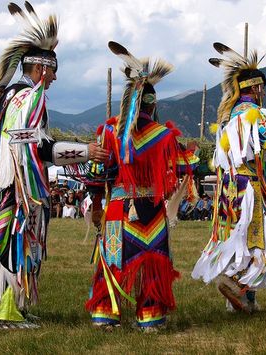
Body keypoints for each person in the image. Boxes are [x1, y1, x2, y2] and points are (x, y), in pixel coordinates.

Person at [0, 2, 108, 328]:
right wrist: (87, 151)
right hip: (17, 189)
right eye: (53, 71)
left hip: (6, 185)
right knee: (13, 242)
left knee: (9, 242)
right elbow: (39, 147)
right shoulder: (28, 98)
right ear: (41, 68)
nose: (55, 78)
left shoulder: (9, 97)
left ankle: (5, 306)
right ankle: (3, 311)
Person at [84, 41, 198, 331]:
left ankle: (105, 314)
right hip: (151, 209)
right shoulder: (163, 136)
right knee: (151, 262)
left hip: (118, 209)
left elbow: (98, 173)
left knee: (112, 260)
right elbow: (184, 167)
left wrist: (97, 203)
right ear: (153, 104)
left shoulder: (109, 132)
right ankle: (149, 316)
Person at [192, 42, 266, 313]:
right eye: (260, 88)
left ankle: (242, 299)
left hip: (228, 187)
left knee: (236, 236)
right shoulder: (253, 114)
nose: (262, 93)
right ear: (256, 88)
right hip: (249, 185)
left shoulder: (228, 116)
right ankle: (237, 283)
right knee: (258, 237)